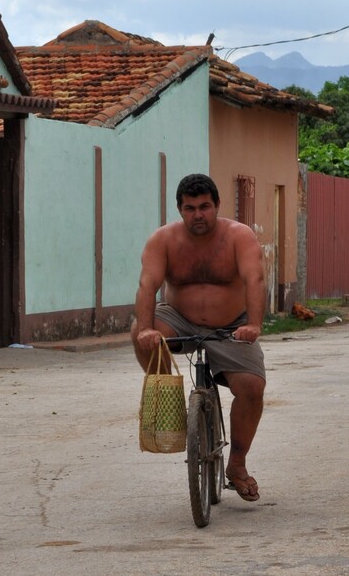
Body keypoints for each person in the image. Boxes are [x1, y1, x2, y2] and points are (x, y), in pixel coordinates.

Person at [132, 173, 266, 502]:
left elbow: (255, 279)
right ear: (180, 209)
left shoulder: (239, 236)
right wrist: (148, 328)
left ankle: (236, 464)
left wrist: (254, 324)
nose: (198, 215)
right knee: (139, 332)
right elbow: (147, 285)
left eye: (205, 206)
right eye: (190, 208)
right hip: (179, 319)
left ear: (217, 205)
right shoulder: (163, 240)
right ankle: (171, 403)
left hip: (230, 325)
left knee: (252, 387)